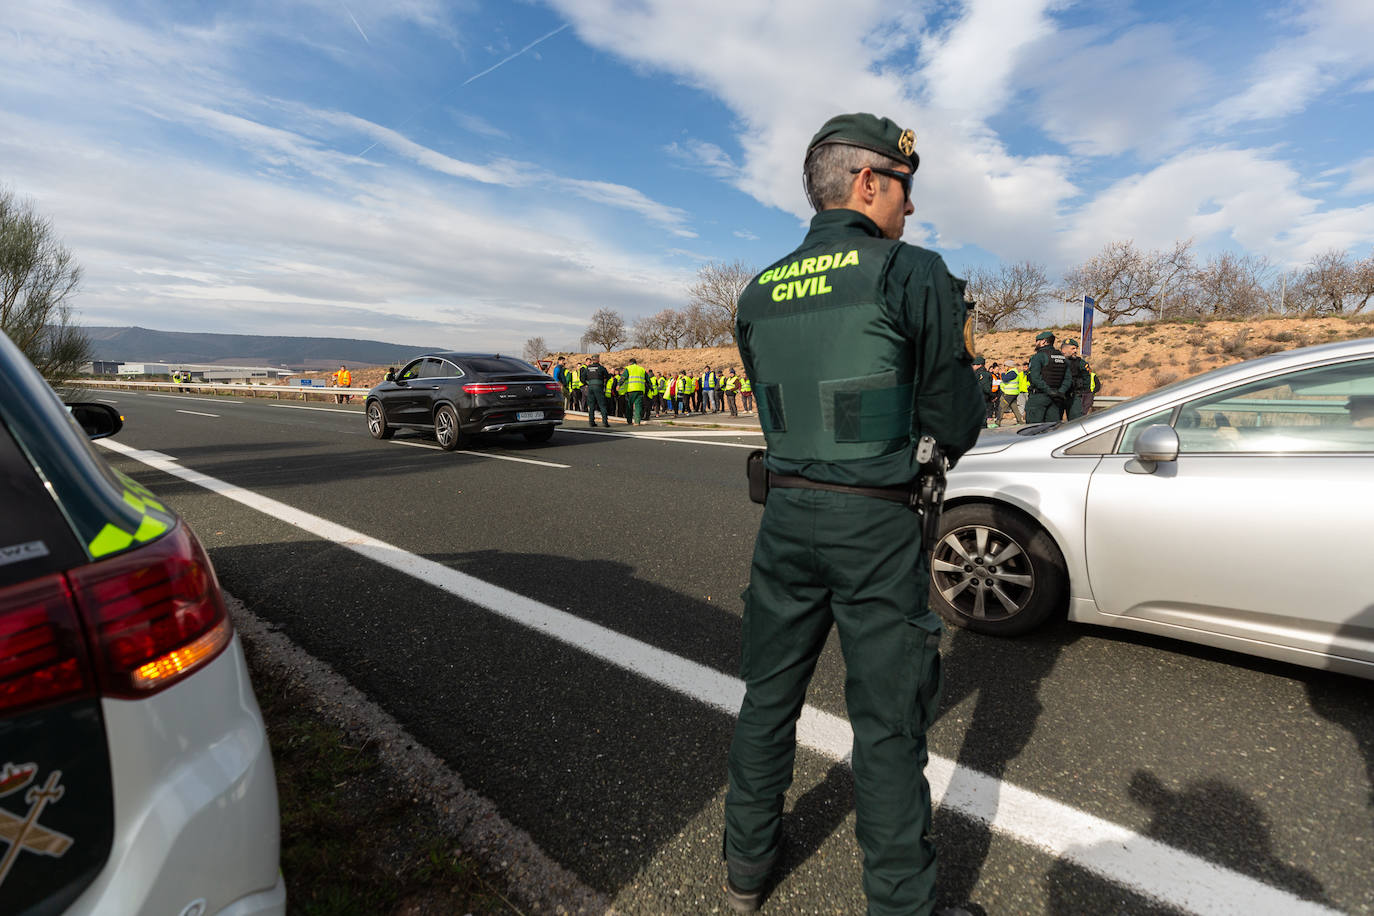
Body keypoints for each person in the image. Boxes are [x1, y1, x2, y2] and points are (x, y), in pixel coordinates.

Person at [725, 112, 982, 916]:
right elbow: (958, 417)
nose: (911, 206)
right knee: (887, 723)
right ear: (869, 182)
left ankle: (745, 870)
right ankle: (901, 903)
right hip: (874, 523)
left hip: (785, 515)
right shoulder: (913, 272)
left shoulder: (759, 288)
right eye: (906, 186)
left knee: (768, 696)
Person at [1025, 332, 1070, 423]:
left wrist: (1048, 391)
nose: (1036, 344)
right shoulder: (1062, 357)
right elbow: (1068, 379)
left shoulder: (1038, 357)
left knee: (1033, 429)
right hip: (1057, 398)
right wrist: (1060, 392)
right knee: (1052, 429)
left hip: (1039, 397)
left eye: (1037, 341)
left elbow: (1035, 378)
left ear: (1044, 342)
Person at [1061, 339, 1090, 420]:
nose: (1076, 351)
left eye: (1076, 348)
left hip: (1074, 396)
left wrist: (1082, 392)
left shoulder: (1080, 362)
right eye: (1073, 348)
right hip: (1058, 396)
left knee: (1076, 422)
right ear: (1064, 350)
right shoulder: (1056, 360)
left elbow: (1087, 378)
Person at [580, 355, 611, 427]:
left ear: (592, 360)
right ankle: (605, 422)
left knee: (591, 405)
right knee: (602, 404)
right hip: (599, 387)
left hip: (590, 387)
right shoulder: (601, 368)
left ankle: (591, 422)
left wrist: (587, 383)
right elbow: (607, 376)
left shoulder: (588, 368)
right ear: (598, 360)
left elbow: (582, 378)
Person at [621, 357, 649, 425]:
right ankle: (637, 421)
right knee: (638, 406)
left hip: (631, 390)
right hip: (640, 390)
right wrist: (650, 387)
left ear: (630, 363)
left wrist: (619, 385)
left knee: (629, 405)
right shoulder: (642, 369)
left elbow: (623, 378)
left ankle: (629, 420)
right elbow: (648, 379)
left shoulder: (628, 368)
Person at [972, 355, 995, 428]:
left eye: (973, 364)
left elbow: (986, 388)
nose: (972, 366)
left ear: (979, 365)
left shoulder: (982, 374)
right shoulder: (978, 374)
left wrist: (992, 396)